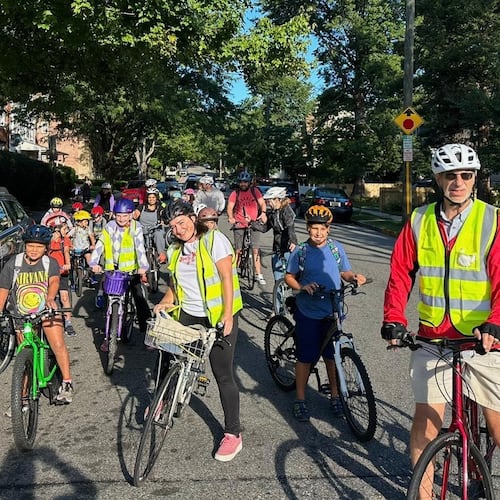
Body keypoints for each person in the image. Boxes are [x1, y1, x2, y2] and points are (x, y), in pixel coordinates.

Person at [381, 143, 500, 482]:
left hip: (484, 338)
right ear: (437, 178)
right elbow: (401, 272)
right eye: (450, 175)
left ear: (474, 178)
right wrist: (394, 318)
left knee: (496, 427)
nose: (458, 182)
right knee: (426, 422)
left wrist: (496, 323)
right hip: (433, 338)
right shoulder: (419, 220)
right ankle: (424, 493)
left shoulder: (492, 220)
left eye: (466, 175)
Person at [153, 201, 243, 462]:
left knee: (223, 374)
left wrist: (228, 314)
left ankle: (233, 434)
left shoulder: (215, 240)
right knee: (164, 353)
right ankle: (162, 399)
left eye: (182, 223)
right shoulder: (174, 249)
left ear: (193, 218)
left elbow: (226, 277)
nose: (179, 230)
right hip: (188, 313)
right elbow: (174, 283)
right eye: (173, 226)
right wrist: (167, 300)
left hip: (217, 315)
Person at [284, 205, 366, 422]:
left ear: (328, 229)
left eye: (322, 228)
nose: (318, 233)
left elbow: (344, 272)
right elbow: (289, 277)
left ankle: (336, 395)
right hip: (308, 310)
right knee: (305, 357)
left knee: (332, 355)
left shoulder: (336, 248)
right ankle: (300, 398)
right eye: (313, 228)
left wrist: (354, 277)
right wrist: (302, 287)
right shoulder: (300, 251)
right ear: (308, 228)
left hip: (333, 310)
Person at [0, 225, 75, 404]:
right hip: (21, 314)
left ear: (46, 248)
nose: (34, 250)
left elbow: (54, 281)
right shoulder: (14, 263)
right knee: (24, 356)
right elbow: (3, 289)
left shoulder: (50, 263)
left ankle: (66, 383)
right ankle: (22, 397)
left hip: (45, 310)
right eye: (31, 245)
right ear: (24, 245)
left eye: (39, 246)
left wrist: (50, 298)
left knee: (57, 343)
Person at [90, 198, 151, 348]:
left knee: (139, 298)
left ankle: (149, 334)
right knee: (107, 300)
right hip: (112, 270)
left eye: (125, 215)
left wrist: (143, 266)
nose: (121, 219)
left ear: (131, 215)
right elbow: (100, 245)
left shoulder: (136, 227)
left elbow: (140, 248)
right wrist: (94, 262)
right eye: (118, 215)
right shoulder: (110, 227)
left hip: (132, 271)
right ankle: (107, 336)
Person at [226, 171, 268, 285]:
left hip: (253, 223)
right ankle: (233, 272)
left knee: (255, 249)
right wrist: (231, 217)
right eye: (241, 182)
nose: (243, 184)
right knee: (238, 250)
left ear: (249, 183)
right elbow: (230, 207)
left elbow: (262, 203)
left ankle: (259, 274)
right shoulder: (235, 193)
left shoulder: (255, 191)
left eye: (245, 182)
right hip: (239, 223)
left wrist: (263, 213)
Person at [46, 220, 75, 336]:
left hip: (62, 272)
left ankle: (68, 322)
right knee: (48, 296)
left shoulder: (65, 241)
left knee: (64, 297)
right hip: (50, 272)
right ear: (56, 230)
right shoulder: (48, 242)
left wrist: (68, 264)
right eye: (64, 229)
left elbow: (67, 252)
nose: (67, 231)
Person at [264, 186, 298, 281]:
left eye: (269, 201)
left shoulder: (287, 210)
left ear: (277, 199)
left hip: (288, 248)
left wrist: (293, 242)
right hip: (277, 249)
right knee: (277, 278)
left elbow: (290, 226)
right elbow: (264, 228)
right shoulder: (272, 213)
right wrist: (251, 223)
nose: (268, 203)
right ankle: (278, 295)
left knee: (293, 277)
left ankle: (297, 293)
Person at [133, 188, 167, 264]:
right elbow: (134, 216)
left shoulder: (160, 208)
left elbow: (165, 217)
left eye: (153, 197)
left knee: (159, 234)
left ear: (156, 198)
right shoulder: (141, 207)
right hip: (142, 230)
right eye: (149, 197)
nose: (151, 199)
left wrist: (164, 220)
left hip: (155, 229)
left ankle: (161, 255)